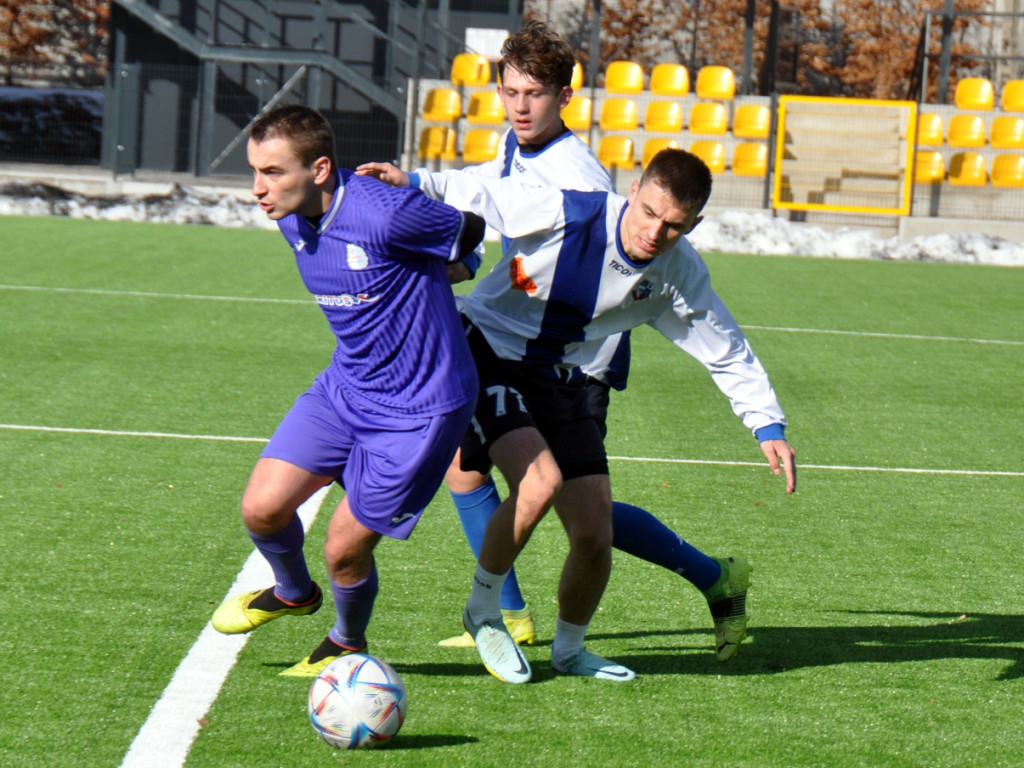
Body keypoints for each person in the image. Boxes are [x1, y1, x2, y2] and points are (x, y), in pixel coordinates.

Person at [358, 21, 759, 666]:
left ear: (563, 97)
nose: (520, 106)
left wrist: (428, 201)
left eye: (535, 93)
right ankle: (507, 613)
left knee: (581, 515)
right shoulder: (519, 142)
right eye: (512, 91)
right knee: (470, 471)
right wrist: (454, 240)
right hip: (521, 336)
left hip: (579, 357)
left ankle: (710, 575)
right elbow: (497, 199)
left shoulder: (578, 173)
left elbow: (593, 266)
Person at [424, 147, 797, 684]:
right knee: (536, 485)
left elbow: (725, 347)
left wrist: (767, 424)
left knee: (595, 533)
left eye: (672, 226)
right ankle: (484, 611)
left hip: (558, 372)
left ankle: (570, 651)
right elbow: (486, 195)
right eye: (647, 212)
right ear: (634, 192)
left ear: (694, 224)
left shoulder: (679, 272)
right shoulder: (572, 211)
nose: (653, 233)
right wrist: (412, 180)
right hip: (485, 349)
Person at [209, 104, 486, 678]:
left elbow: (469, 231)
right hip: (346, 387)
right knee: (261, 509)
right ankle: (292, 592)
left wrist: (455, 262)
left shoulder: (382, 215)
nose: (259, 188)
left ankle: (346, 641)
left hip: (420, 407)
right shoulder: (289, 218)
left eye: (273, 172)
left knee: (343, 547)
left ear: (319, 169)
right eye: (255, 171)